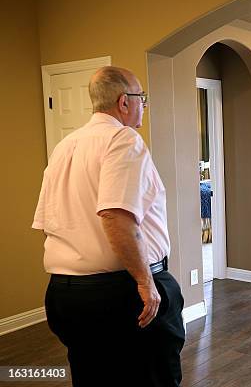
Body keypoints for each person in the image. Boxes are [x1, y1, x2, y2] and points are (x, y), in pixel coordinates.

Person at [32, 66, 185, 386]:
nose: (144, 104)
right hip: (123, 294)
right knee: (153, 378)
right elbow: (116, 216)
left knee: (93, 377)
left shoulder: (64, 147)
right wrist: (145, 283)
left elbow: (49, 223)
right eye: (142, 97)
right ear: (123, 102)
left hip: (67, 295)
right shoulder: (124, 139)